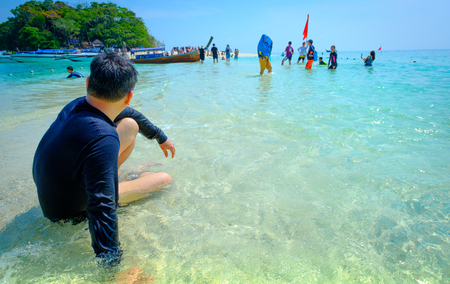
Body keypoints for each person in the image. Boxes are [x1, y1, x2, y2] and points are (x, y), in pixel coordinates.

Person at [33, 53, 176, 265]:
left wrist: (159, 136)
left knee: (130, 125)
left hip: (55, 197)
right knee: (163, 179)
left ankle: (117, 176)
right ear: (129, 95)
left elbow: (129, 113)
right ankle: (126, 178)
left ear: (88, 82)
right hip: (72, 213)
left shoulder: (75, 106)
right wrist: (112, 266)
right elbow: (101, 206)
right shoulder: (103, 137)